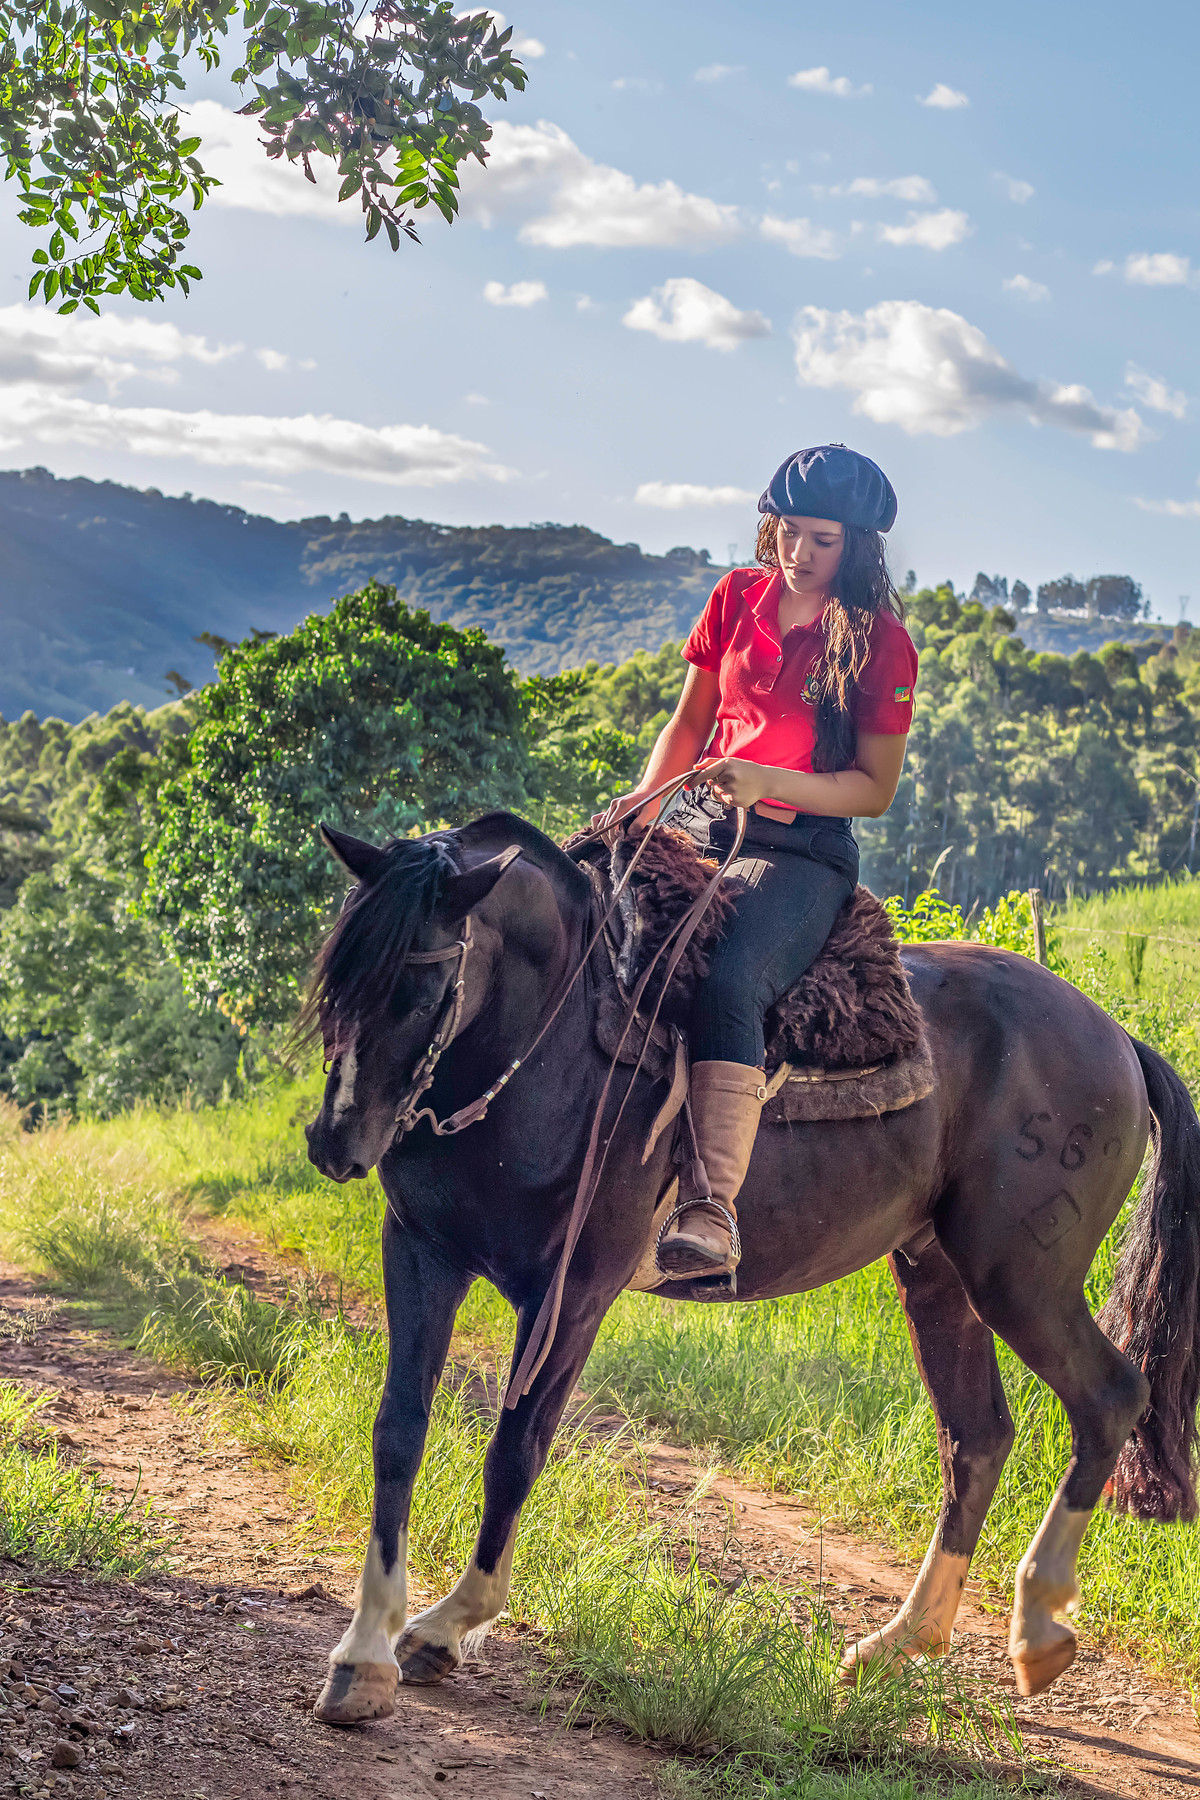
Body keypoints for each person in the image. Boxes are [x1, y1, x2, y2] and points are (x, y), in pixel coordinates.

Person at [593, 444, 917, 1280]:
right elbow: (689, 723)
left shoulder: (880, 644)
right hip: (698, 821)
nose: (798, 554)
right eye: (787, 532)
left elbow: (873, 789)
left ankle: (710, 1206)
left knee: (732, 977)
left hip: (801, 848)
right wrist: (640, 800)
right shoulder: (735, 596)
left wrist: (768, 780)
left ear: (858, 548)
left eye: (822, 540)